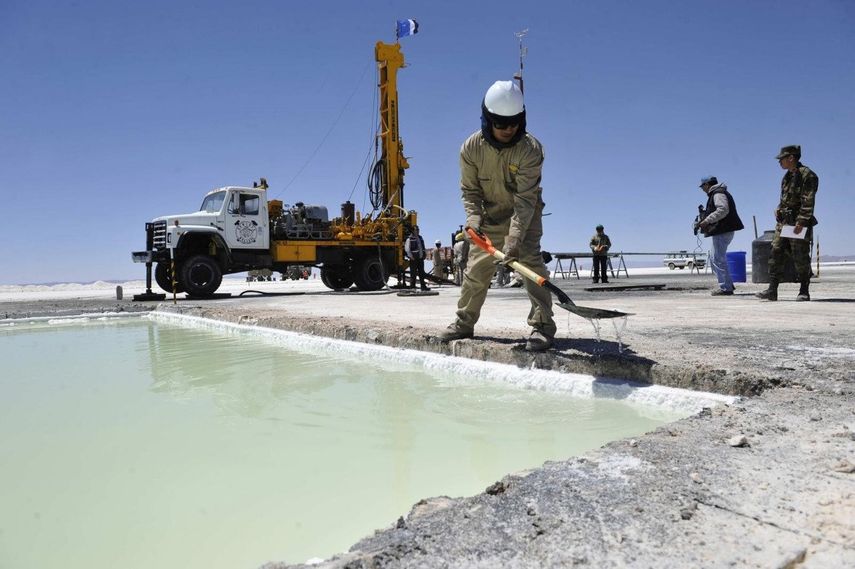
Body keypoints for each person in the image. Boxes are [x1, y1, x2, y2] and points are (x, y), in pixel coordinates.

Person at [438, 80, 556, 351]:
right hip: (488, 218)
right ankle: (464, 323)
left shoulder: (530, 150)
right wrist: (474, 220)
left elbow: (525, 200)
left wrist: (514, 239)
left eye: (514, 123)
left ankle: (543, 326)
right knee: (476, 270)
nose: (508, 129)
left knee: (530, 265)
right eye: (501, 124)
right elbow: (470, 191)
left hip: (524, 216)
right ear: (487, 120)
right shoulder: (471, 149)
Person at [757, 145, 819, 302]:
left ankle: (804, 290)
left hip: (798, 223)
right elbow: (785, 199)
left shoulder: (807, 175)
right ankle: (772, 290)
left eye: (782, 159)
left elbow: (808, 201)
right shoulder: (787, 177)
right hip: (784, 223)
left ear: (791, 158)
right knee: (776, 252)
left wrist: (802, 222)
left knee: (800, 256)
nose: (779, 162)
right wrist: (778, 210)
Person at [696, 176, 744, 295]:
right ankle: (727, 285)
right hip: (721, 230)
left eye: (703, 186)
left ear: (707, 185)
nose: (702, 189)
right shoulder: (717, 193)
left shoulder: (718, 194)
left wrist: (707, 220)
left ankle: (726, 288)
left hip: (723, 230)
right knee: (714, 258)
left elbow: (722, 210)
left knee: (717, 258)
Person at [404, 226, 430, 291]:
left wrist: (424, 255)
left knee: (422, 273)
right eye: (416, 230)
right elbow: (407, 249)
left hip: (420, 258)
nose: (418, 231)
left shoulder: (420, 238)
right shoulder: (409, 239)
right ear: (413, 231)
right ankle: (412, 287)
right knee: (413, 273)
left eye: (418, 229)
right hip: (414, 259)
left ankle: (423, 287)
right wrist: (411, 257)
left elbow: (422, 247)